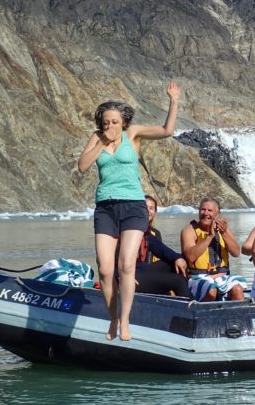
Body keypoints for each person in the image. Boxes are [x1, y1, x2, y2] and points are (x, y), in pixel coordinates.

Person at [77, 80, 181, 341]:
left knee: (126, 265)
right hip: (106, 207)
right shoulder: (96, 138)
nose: (109, 126)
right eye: (105, 121)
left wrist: (174, 100)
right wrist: (101, 142)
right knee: (104, 269)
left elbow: (167, 130)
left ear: (123, 122)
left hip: (134, 206)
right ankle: (112, 319)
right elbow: (82, 166)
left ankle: (124, 322)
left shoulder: (133, 134)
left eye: (114, 121)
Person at [181, 198, 246, 301]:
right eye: (203, 209)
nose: (205, 213)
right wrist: (210, 236)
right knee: (211, 290)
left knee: (237, 289)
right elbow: (190, 256)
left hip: (222, 277)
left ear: (217, 213)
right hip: (198, 278)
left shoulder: (224, 230)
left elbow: (236, 252)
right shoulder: (189, 230)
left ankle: (239, 316)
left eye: (210, 210)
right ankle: (204, 316)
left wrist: (224, 234)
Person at [135, 195, 191, 298]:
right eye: (144, 207)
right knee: (178, 282)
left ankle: (182, 301)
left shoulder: (146, 234)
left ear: (155, 213)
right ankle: (188, 310)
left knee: (175, 265)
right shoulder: (127, 230)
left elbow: (162, 250)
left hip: (142, 271)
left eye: (151, 208)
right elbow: (111, 258)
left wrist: (178, 258)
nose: (147, 211)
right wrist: (119, 275)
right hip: (128, 275)